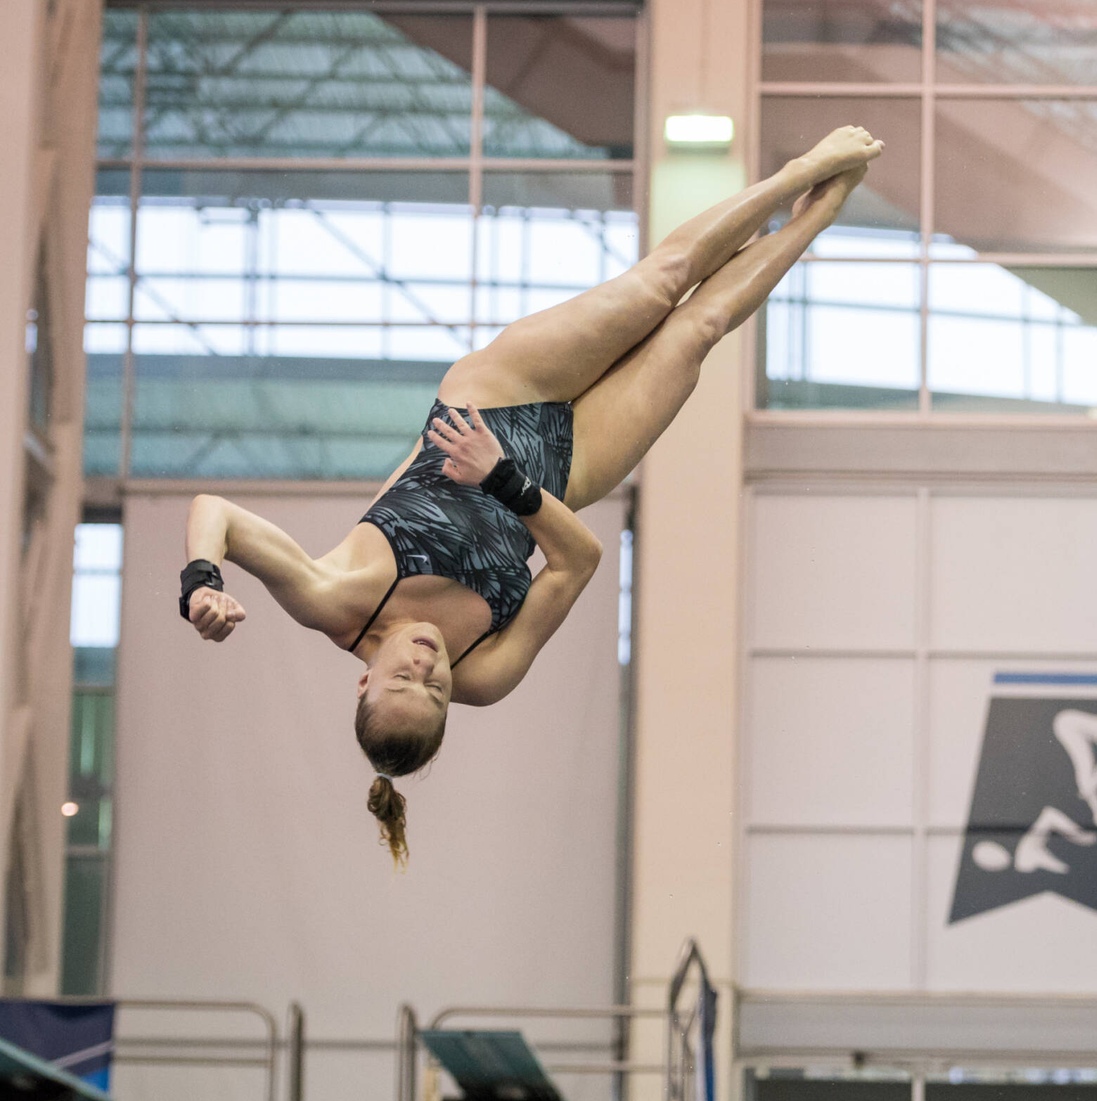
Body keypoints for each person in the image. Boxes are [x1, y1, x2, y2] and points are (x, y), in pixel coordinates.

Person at [177, 127, 883, 865]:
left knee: (663, 283)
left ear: (363, 680)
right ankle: (818, 213)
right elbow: (579, 559)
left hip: (501, 394)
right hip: (562, 474)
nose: (430, 666)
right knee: (694, 332)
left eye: (405, 679)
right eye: (437, 692)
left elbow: (215, 511)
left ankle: (801, 167)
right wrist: (507, 482)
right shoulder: (487, 671)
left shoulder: (335, 598)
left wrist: (202, 584)